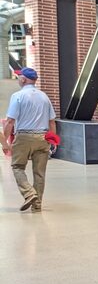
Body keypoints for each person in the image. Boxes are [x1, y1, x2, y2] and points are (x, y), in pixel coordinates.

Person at [3, 67, 56, 212]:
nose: (18, 78)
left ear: (23, 79)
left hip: (24, 137)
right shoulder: (45, 97)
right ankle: (37, 204)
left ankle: (29, 193)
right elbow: (52, 122)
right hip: (43, 137)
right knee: (39, 173)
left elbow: (10, 121)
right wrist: (53, 140)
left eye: (19, 76)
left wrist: (5, 142)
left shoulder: (18, 96)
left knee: (17, 167)